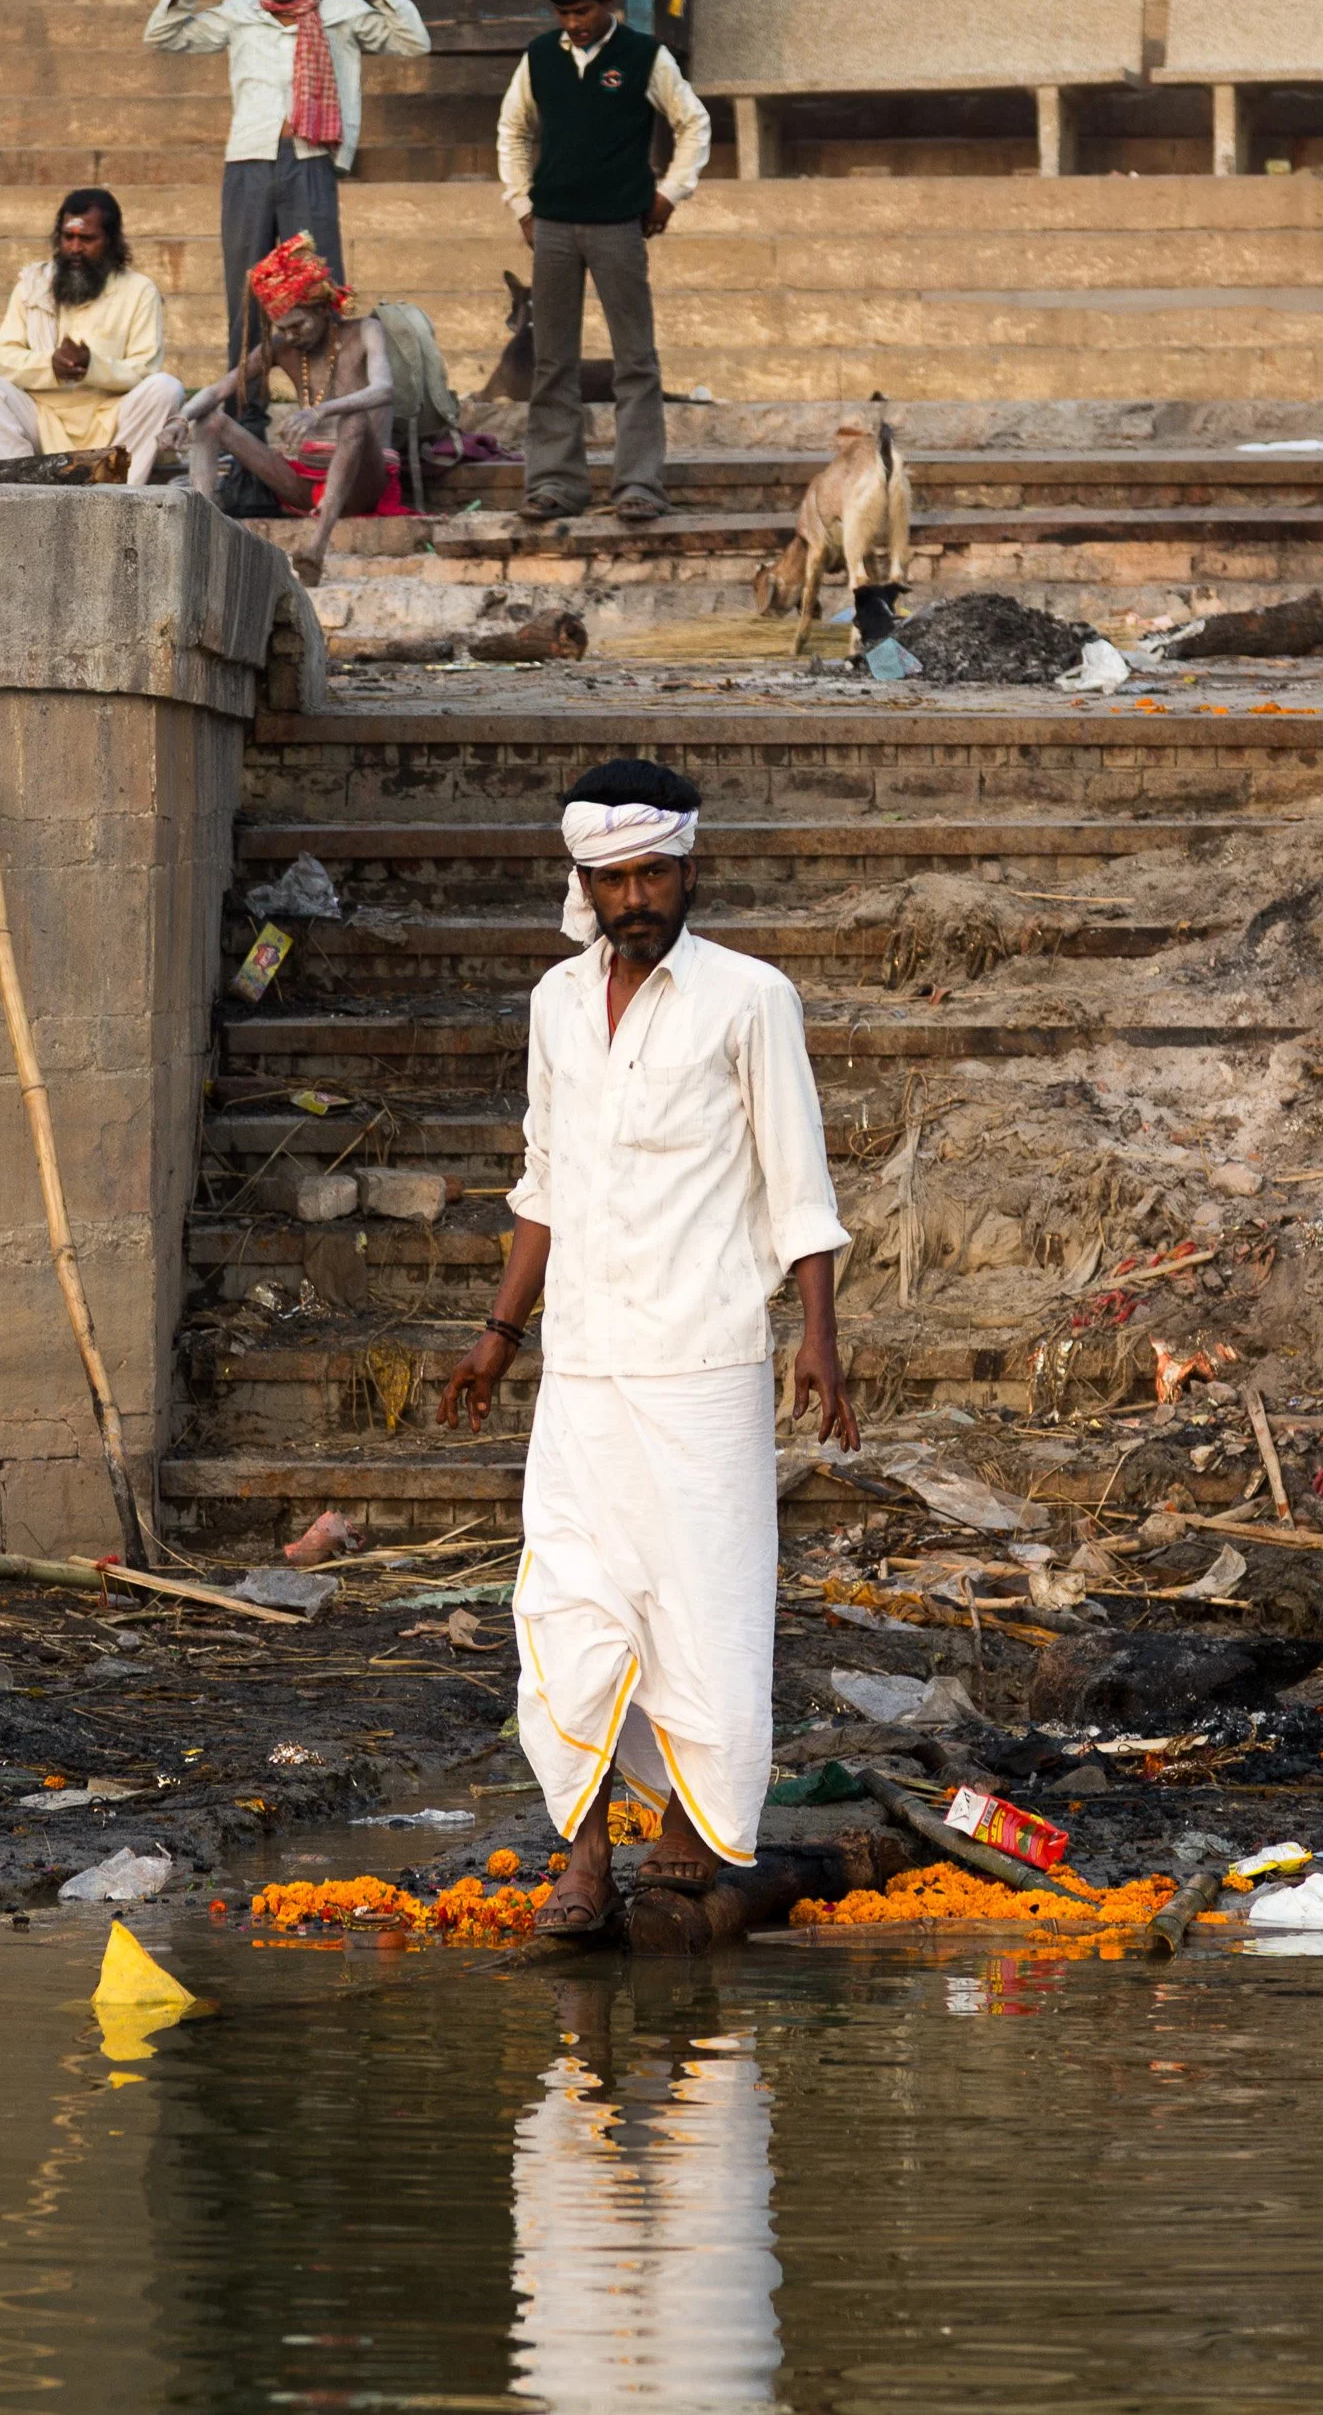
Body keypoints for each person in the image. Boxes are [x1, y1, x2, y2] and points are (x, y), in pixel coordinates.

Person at [438, 758, 859, 1933]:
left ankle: (688, 1829)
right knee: (563, 1611)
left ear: (687, 870)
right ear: (584, 883)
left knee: (704, 1614)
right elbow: (544, 1184)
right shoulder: (555, 1004)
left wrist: (818, 1335)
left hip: (705, 1364)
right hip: (581, 1367)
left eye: (655, 874)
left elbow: (799, 1184)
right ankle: (582, 1855)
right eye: (615, 879)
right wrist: (499, 1333)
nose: (636, 898)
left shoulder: (750, 998)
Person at [144, 0, 427, 382]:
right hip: (248, 163)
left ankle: (328, 406)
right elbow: (161, 36)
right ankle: (247, 411)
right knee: (246, 293)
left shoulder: (340, 10)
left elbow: (414, 41)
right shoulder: (240, 14)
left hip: (310, 161)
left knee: (318, 291)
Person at [495, 0, 710, 526]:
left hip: (620, 225)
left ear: (607, 2)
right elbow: (513, 129)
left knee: (635, 359)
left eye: (583, 11)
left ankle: (639, 484)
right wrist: (521, 205)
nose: (574, 23)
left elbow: (693, 121)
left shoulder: (644, 55)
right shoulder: (540, 56)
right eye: (563, 13)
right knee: (551, 361)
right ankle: (554, 484)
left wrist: (670, 192)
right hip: (553, 227)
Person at [182, 229, 392, 582]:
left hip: (363, 483)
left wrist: (320, 411)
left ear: (323, 308)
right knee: (209, 421)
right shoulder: (282, 347)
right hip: (304, 484)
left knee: (353, 418)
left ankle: (315, 550)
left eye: (298, 325)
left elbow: (384, 389)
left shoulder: (366, 331)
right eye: (284, 328)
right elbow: (219, 390)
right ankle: (199, 533)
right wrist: (179, 418)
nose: (292, 336)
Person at [0, 190, 185, 485]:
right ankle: (11, 491)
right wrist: (50, 365)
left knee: (165, 388)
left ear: (111, 240)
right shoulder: (34, 285)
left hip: (110, 419)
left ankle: (118, 494)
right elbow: (4, 358)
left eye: (87, 239)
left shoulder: (139, 290)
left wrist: (92, 367)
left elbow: (144, 369)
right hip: (40, 416)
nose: (75, 248)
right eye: (68, 237)